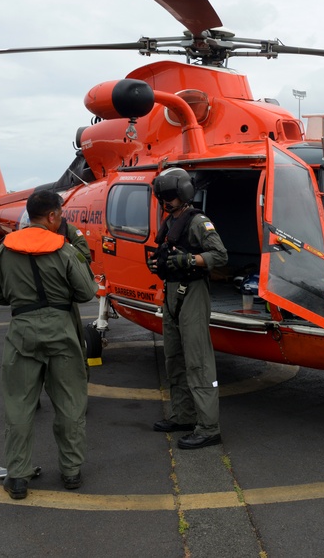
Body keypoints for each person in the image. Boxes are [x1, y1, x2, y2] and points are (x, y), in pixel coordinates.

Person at [0, 189, 98, 499]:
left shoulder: (5, 251)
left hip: (22, 330)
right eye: (60, 214)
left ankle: (18, 476)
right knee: (70, 403)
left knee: (19, 406)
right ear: (51, 216)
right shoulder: (63, 250)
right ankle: (71, 471)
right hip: (61, 330)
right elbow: (87, 292)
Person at [146, 168, 228, 450]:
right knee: (174, 357)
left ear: (183, 194)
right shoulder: (171, 222)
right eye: (162, 196)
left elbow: (219, 255)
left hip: (192, 293)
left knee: (198, 360)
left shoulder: (198, 222)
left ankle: (208, 427)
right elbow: (168, 255)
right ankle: (183, 415)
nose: (165, 201)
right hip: (172, 293)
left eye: (169, 196)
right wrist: (160, 265)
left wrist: (190, 261)